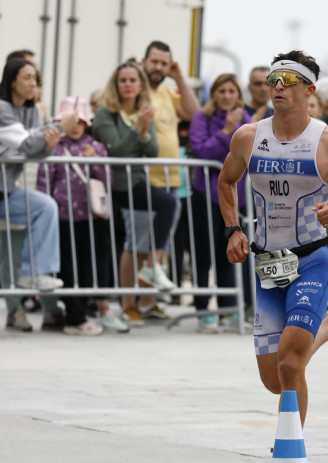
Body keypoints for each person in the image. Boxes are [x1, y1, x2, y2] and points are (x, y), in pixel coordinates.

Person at [217, 50, 328, 428]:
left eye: (288, 81)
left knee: (291, 364)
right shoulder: (247, 137)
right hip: (268, 264)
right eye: (273, 80)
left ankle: (290, 451)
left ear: (309, 90)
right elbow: (226, 181)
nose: (278, 87)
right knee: (274, 380)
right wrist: (233, 229)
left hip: (311, 259)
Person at [0, 58, 79, 335]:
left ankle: (36, 272)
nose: (33, 83)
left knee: (45, 207)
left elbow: (35, 151)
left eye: (36, 78)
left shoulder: (31, 111)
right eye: (27, 77)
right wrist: (59, 127)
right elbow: (26, 143)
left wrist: (50, 137)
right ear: (12, 81)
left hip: (5, 189)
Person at [92, 60, 169, 327]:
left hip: (136, 183)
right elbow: (116, 152)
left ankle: (152, 268)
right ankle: (117, 303)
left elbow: (154, 151)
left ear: (140, 85)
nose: (128, 85)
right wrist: (138, 130)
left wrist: (144, 131)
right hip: (115, 186)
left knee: (165, 208)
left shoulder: (144, 111)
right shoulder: (106, 113)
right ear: (116, 84)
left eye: (133, 80)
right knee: (115, 243)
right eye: (123, 80)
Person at [37, 97, 117, 336]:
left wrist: (96, 161)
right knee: (66, 269)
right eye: (69, 121)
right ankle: (74, 316)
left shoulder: (95, 147)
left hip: (91, 219)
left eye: (80, 121)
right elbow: (44, 181)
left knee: (86, 269)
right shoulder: (54, 147)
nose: (75, 126)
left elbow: (108, 179)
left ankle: (80, 313)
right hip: (61, 219)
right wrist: (45, 211)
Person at [139, 40, 201, 320]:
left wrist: (179, 78)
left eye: (165, 63)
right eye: (155, 62)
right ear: (144, 61)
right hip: (144, 176)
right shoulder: (137, 90)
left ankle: (149, 302)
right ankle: (132, 304)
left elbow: (194, 113)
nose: (159, 68)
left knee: (156, 241)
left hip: (171, 177)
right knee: (138, 243)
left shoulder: (166, 92)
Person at [189, 73, 251, 333]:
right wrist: (227, 131)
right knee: (203, 255)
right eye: (221, 91)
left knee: (232, 253)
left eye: (231, 91)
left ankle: (230, 310)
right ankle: (203, 312)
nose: (226, 96)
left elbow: (249, 151)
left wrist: (237, 127)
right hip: (205, 195)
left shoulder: (245, 121)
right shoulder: (201, 118)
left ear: (238, 95)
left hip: (237, 198)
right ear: (214, 94)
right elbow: (202, 151)